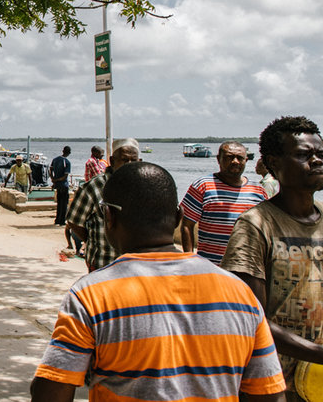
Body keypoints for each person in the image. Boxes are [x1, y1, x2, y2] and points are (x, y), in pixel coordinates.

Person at [31, 161, 286, 402]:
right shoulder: (239, 293)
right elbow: (268, 393)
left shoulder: (91, 294)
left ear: (109, 217)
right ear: (177, 218)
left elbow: (52, 390)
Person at [221, 116, 323, 396]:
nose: (316, 161)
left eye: (320, 154)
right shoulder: (255, 225)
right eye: (304, 155)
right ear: (274, 163)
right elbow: (250, 316)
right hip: (274, 383)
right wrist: (318, 352)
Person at [179, 141, 267, 266]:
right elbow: (187, 225)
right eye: (229, 157)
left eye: (239, 158)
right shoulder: (203, 186)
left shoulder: (258, 190)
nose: (235, 161)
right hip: (210, 267)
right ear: (218, 159)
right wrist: (190, 259)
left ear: (246, 160)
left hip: (246, 268)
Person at [67, 138, 139, 271]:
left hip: (134, 266)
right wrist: (92, 241)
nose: (128, 164)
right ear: (112, 161)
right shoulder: (95, 187)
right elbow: (74, 220)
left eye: (133, 161)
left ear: (139, 162)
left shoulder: (144, 187)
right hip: (102, 263)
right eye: (124, 160)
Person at [49, 146, 72, 226]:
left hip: (57, 185)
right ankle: (62, 220)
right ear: (69, 153)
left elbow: (50, 170)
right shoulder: (67, 162)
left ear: (63, 151)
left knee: (59, 203)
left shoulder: (55, 160)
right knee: (64, 203)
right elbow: (65, 176)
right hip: (64, 185)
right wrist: (57, 180)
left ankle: (57, 220)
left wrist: (53, 179)